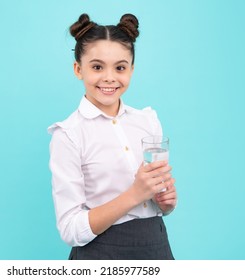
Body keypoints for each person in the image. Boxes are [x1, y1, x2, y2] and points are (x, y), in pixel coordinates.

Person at [48, 13, 177, 260]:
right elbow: (70, 229)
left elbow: (156, 198)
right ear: (78, 69)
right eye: (97, 67)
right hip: (101, 254)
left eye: (120, 67)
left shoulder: (147, 122)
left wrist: (165, 202)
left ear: (131, 69)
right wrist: (135, 194)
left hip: (156, 247)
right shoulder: (69, 135)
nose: (109, 77)